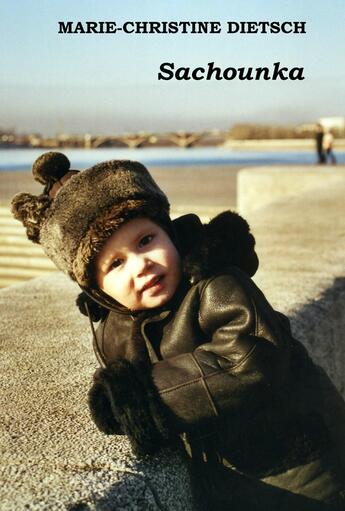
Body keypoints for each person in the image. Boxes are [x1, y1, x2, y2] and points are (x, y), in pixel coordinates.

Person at [11, 152, 345, 510]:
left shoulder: (216, 283)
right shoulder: (115, 323)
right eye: (116, 263)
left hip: (302, 471)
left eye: (145, 240)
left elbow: (252, 359)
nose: (142, 265)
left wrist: (144, 399)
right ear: (96, 288)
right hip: (225, 481)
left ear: (167, 231)